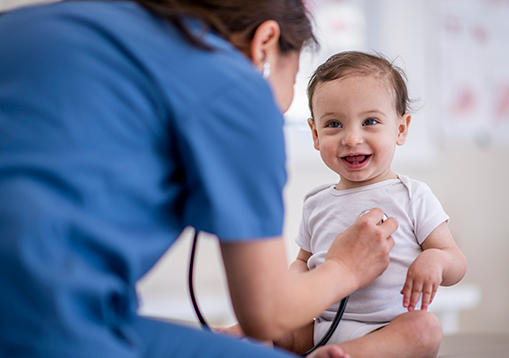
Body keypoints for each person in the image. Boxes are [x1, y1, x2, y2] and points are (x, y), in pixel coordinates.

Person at [0, 2, 397, 358]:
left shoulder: (43, 21)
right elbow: (268, 313)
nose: (277, 108)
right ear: (266, 43)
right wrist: (346, 267)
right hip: (42, 321)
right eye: (290, 83)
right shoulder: (234, 84)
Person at [273, 51, 468, 358]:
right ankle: (228, 339)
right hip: (320, 326)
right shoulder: (316, 202)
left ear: (401, 129)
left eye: (370, 121)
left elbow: (455, 260)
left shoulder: (412, 195)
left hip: (386, 329)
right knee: (273, 322)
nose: (351, 138)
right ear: (314, 134)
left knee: (424, 329)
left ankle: (346, 353)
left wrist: (436, 261)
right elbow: (303, 259)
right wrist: (295, 277)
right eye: (334, 124)